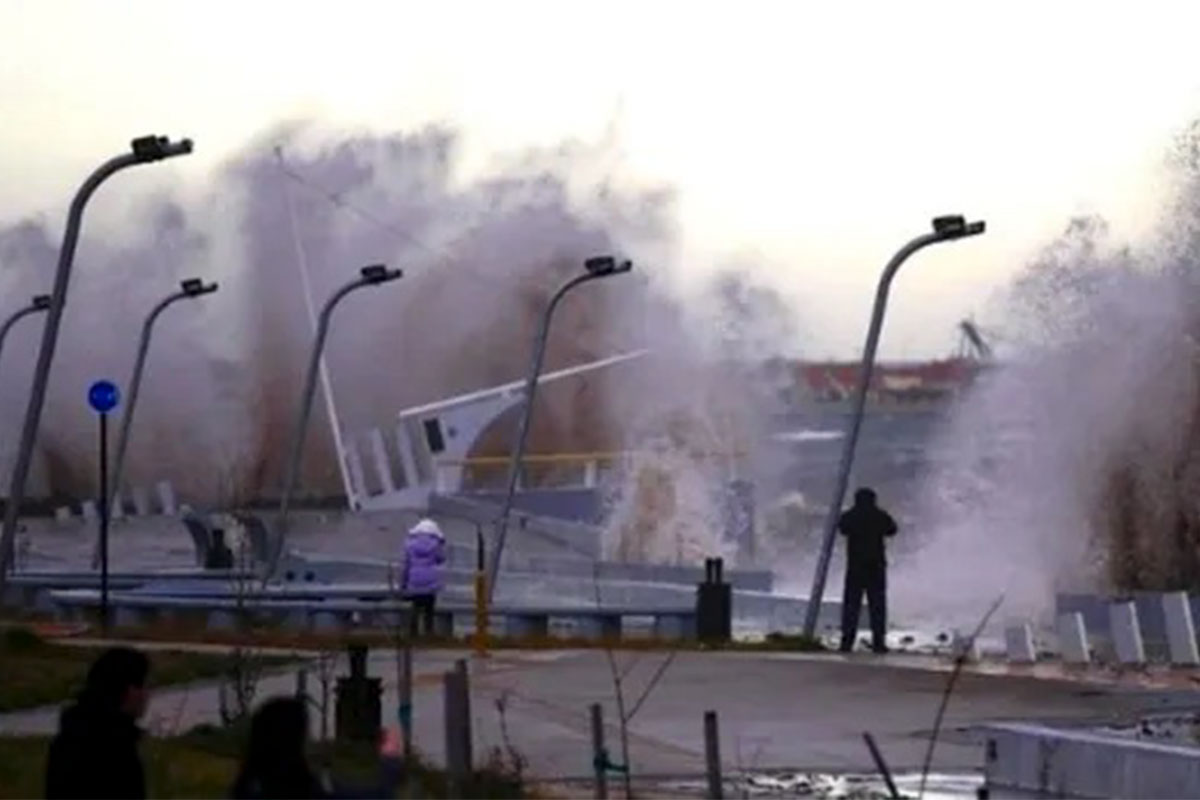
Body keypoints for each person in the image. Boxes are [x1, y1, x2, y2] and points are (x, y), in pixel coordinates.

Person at [230, 696, 402, 799]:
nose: (311, 742)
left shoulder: (247, 789)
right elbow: (378, 796)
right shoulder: (308, 792)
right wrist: (390, 760)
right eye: (306, 735)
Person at [45, 646, 150, 799]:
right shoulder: (117, 749)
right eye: (144, 686)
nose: (147, 695)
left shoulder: (67, 738)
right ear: (130, 690)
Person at [838, 487, 898, 654]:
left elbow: (842, 529)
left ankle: (847, 641)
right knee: (877, 606)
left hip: (855, 566)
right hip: (876, 566)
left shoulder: (850, 515)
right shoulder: (879, 515)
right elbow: (892, 530)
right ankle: (878, 642)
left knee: (851, 605)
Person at [402, 517, 446, 638]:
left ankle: (413, 633)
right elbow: (441, 559)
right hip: (430, 581)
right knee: (429, 609)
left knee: (415, 607)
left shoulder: (410, 544)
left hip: (414, 580)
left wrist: (403, 583)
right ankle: (428, 632)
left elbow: (406, 565)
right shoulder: (435, 544)